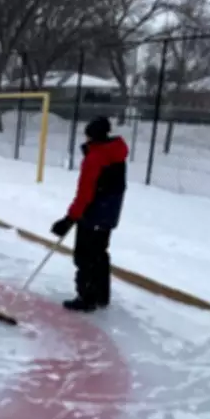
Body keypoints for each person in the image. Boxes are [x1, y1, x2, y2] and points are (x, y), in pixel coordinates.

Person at [50, 116, 128, 312]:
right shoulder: (116, 154)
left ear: (92, 135)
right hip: (108, 215)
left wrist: (69, 219)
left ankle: (87, 298)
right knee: (100, 253)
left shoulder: (95, 158)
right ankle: (101, 295)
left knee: (85, 257)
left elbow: (85, 193)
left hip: (93, 215)